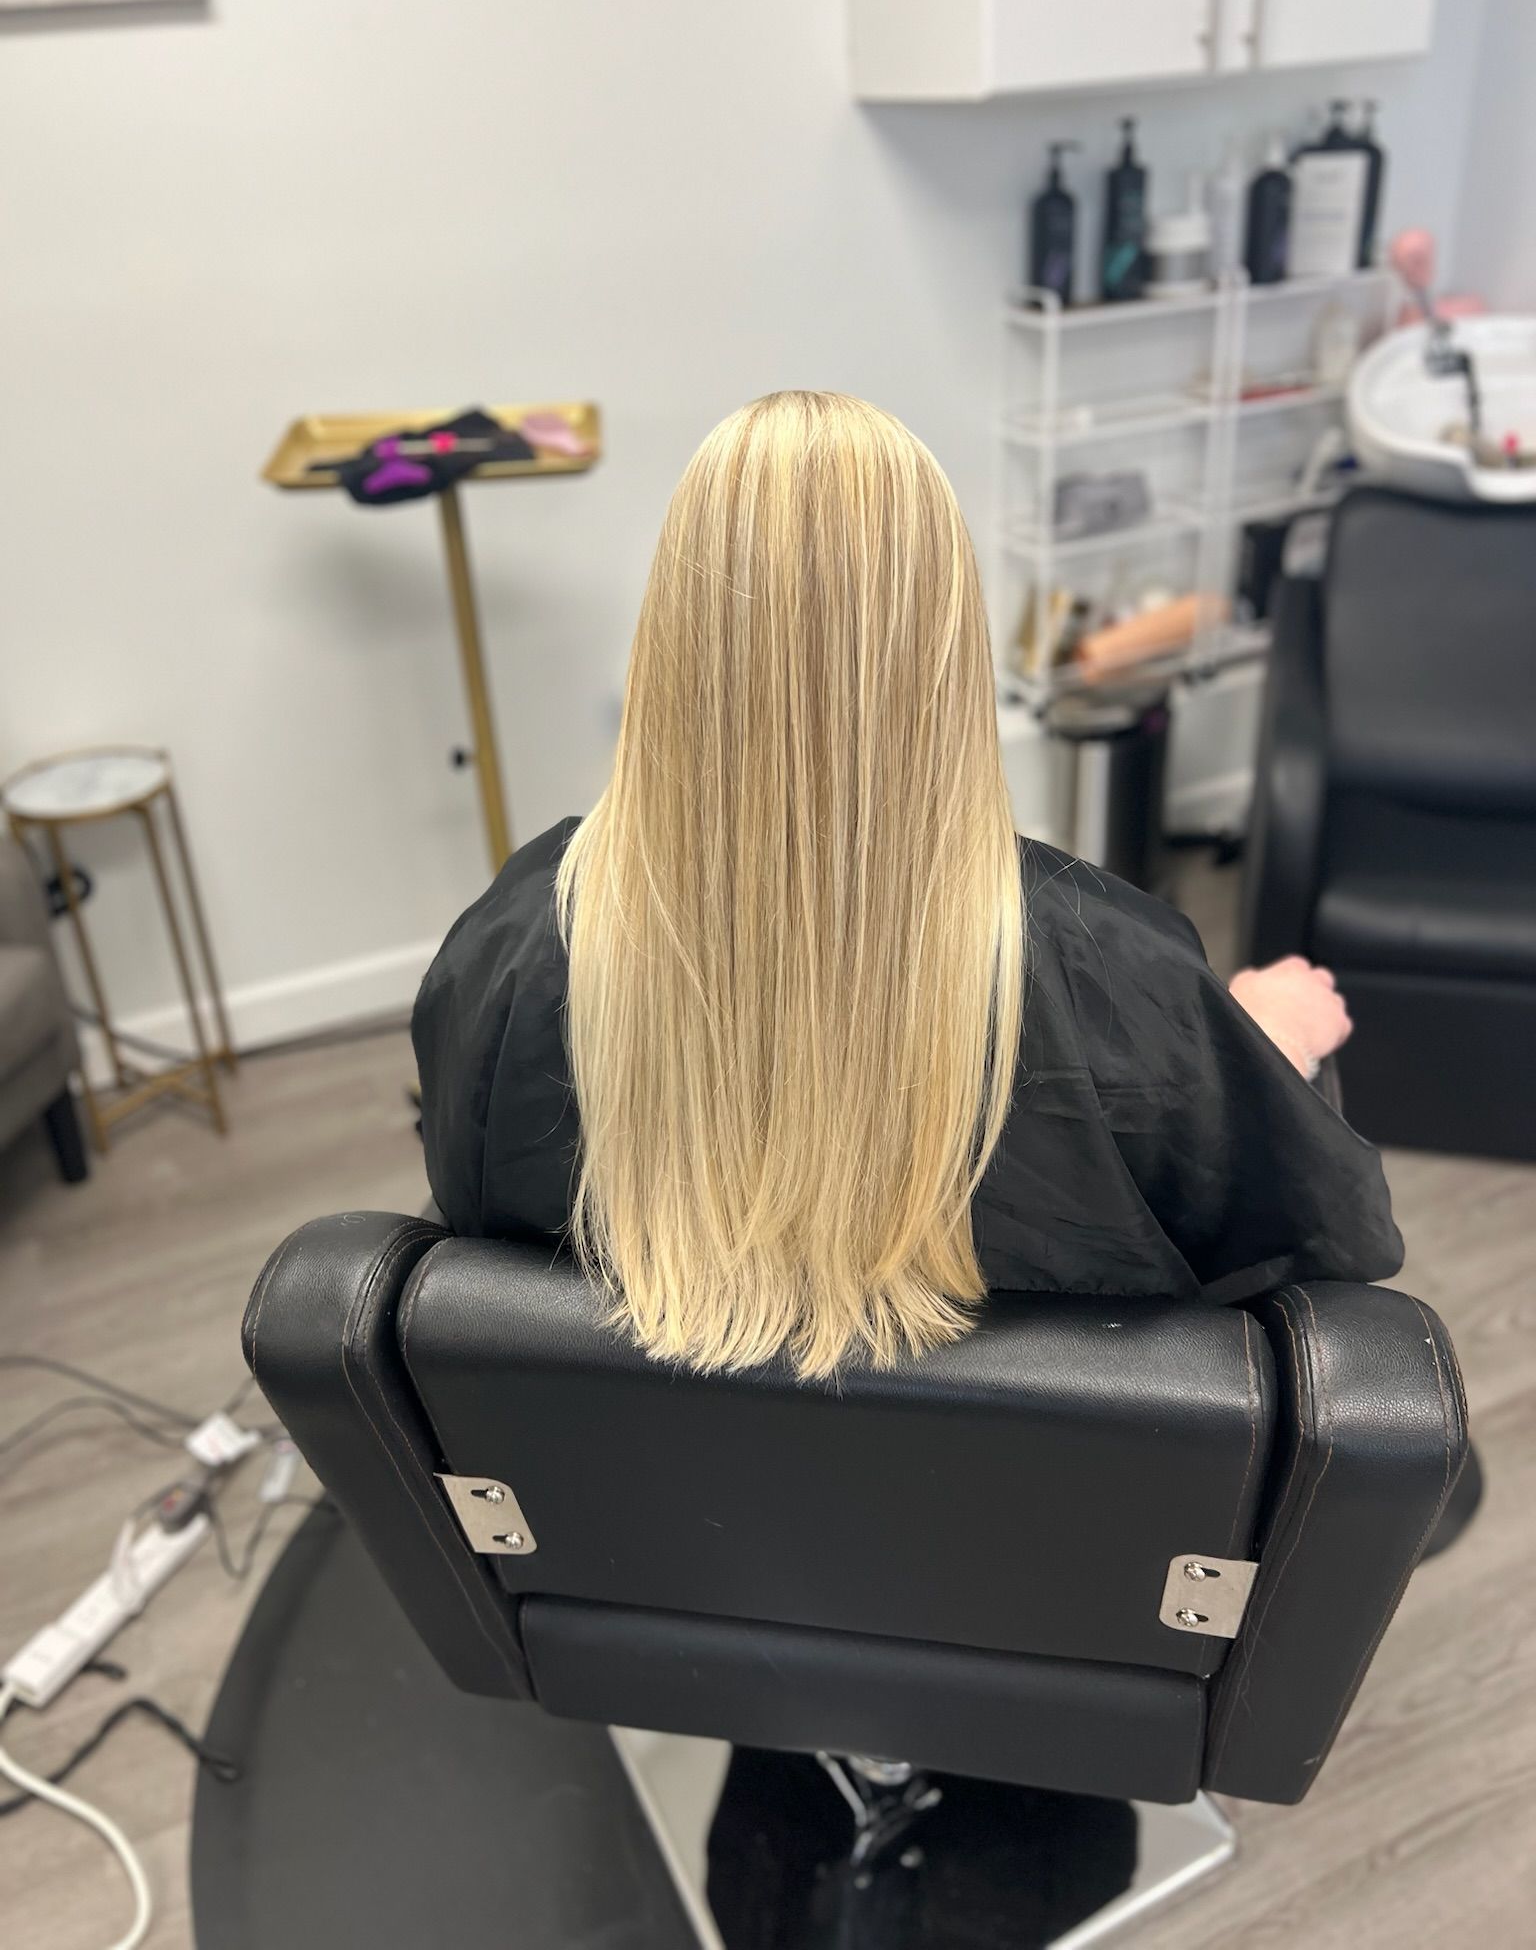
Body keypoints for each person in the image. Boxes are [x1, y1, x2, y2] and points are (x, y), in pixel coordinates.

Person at [414, 392, 1400, 1378]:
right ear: (940, 635)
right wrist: (1270, 1048)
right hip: (1001, 1516)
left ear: (677, 630)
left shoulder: (512, 946)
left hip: (651, 1507)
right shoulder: (1120, 975)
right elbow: (1307, 1264)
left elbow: (475, 1243)